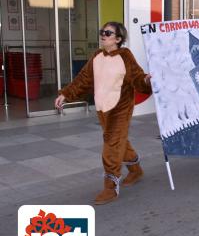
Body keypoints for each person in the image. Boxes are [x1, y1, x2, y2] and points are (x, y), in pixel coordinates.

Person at [54, 22, 152, 205]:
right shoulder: (96, 56)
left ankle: (110, 186)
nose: (103, 35)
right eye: (102, 32)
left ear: (118, 39)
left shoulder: (125, 55)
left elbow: (137, 77)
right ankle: (136, 170)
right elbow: (83, 79)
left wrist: (146, 80)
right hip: (102, 109)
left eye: (108, 33)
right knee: (119, 141)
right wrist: (66, 94)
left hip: (120, 108)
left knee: (112, 145)